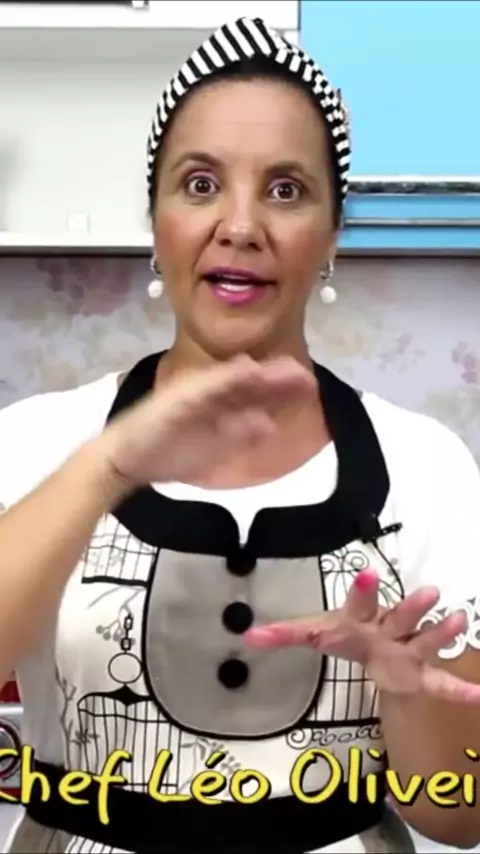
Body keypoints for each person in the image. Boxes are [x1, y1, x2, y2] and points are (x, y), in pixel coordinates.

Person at [0, 15, 479, 854]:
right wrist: (106, 467)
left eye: (286, 190)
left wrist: (407, 693)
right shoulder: (39, 441)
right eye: (200, 184)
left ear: (333, 234)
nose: (241, 224)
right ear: (156, 219)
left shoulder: (426, 466)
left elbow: (460, 812)